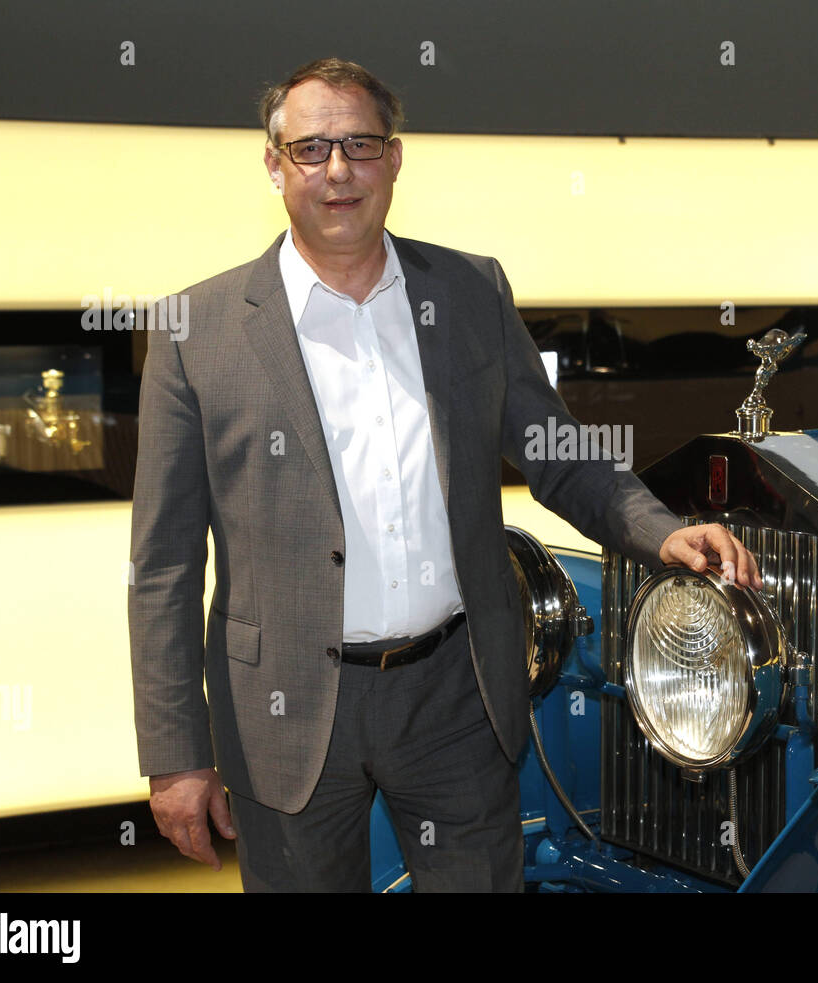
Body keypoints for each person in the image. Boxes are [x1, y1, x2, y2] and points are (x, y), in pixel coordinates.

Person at [128, 57, 760, 892]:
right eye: (312, 147)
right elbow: (164, 565)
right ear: (274, 163)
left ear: (394, 157)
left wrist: (662, 529)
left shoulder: (467, 291)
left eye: (360, 142)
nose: (339, 169)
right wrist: (176, 755)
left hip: (456, 697)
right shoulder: (194, 331)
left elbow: (558, 451)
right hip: (282, 710)